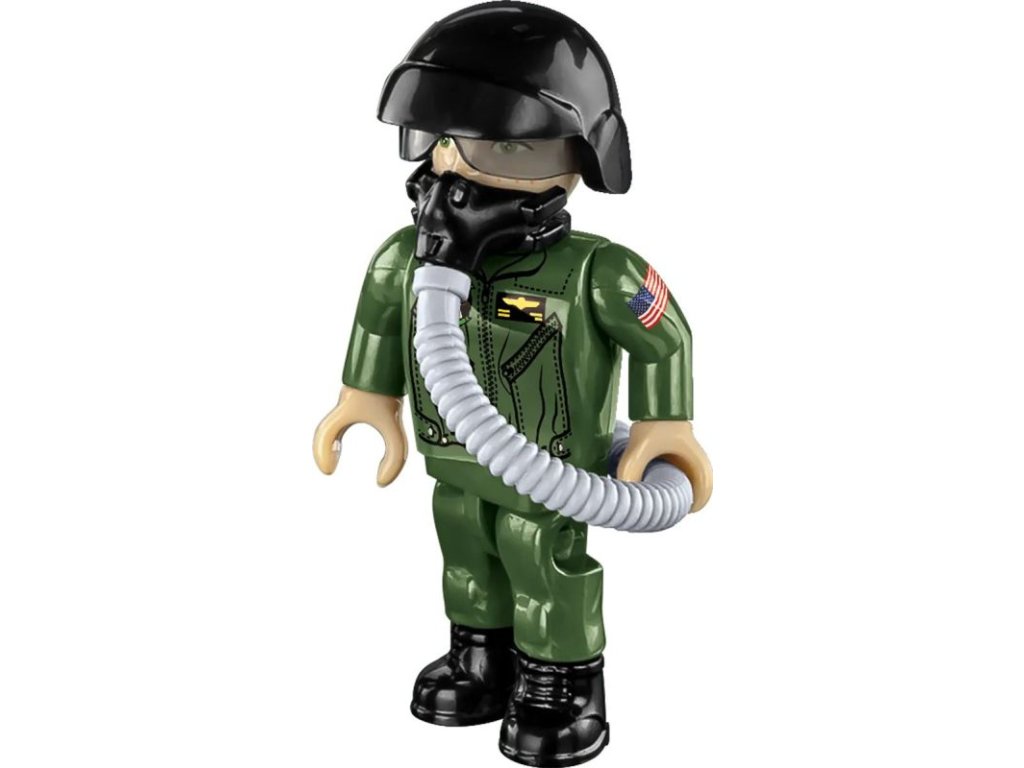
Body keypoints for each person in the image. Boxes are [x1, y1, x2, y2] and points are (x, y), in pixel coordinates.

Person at [313, 3, 712, 765]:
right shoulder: (405, 259)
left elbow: (666, 336)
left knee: (539, 558)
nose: (453, 174)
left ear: (580, 158)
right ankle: (479, 658)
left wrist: (665, 426)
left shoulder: (599, 272)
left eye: (500, 145)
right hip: (454, 460)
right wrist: (367, 397)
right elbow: (379, 326)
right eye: (442, 142)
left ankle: (562, 682)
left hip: (547, 473)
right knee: (465, 549)